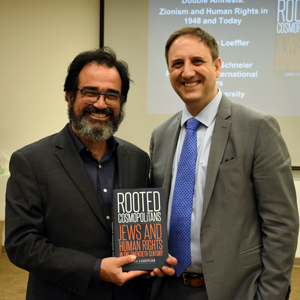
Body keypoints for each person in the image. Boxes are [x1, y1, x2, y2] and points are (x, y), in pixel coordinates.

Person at [5, 47, 175, 300]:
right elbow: (22, 245)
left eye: (112, 96)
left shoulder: (138, 159)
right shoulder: (31, 161)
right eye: (91, 93)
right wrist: (95, 269)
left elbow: (141, 229)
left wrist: (154, 259)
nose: (101, 104)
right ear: (69, 96)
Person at [150, 27, 299, 300]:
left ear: (217, 67)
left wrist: (270, 295)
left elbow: (281, 223)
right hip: (167, 289)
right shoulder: (161, 135)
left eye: (197, 61)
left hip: (234, 290)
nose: (187, 72)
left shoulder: (257, 128)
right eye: (177, 64)